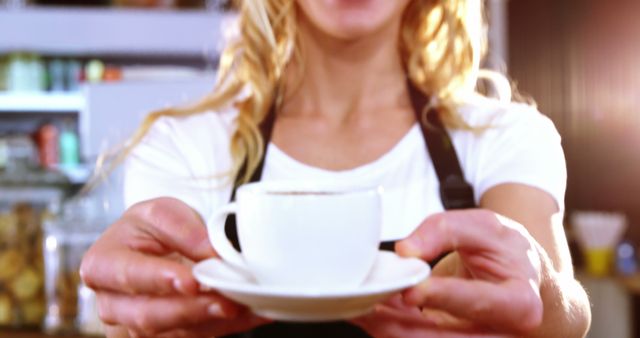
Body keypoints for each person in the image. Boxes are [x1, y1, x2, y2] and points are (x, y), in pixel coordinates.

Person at [80, 0, 592, 337]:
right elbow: (150, 308)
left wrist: (543, 289)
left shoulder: (504, 137)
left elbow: (567, 315)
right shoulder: (183, 147)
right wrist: (134, 320)